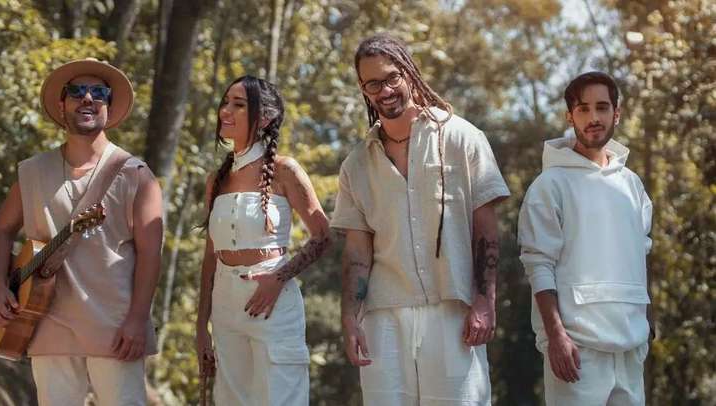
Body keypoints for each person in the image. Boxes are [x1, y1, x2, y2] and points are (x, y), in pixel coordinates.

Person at [330, 33, 510, 405]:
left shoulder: (462, 137)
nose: (385, 90)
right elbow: (357, 253)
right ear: (363, 90)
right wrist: (350, 317)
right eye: (373, 84)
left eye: (392, 77)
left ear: (410, 73)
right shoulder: (356, 165)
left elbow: (486, 231)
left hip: (452, 311)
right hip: (382, 318)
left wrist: (484, 300)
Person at [0, 58, 163, 406]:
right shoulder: (32, 171)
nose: (88, 98)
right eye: (77, 91)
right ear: (61, 104)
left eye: (99, 92)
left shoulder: (136, 175)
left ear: (109, 107)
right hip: (44, 322)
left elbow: (150, 256)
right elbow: (0, 231)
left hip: (115, 327)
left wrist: (138, 319)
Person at [517, 71, 653, 405]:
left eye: (602, 107)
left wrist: (646, 326)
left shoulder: (632, 185)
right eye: (583, 109)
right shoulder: (550, 185)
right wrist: (556, 337)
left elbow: (639, 256)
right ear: (570, 116)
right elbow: (538, 264)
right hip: (576, 350)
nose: (593, 118)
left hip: (630, 346)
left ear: (616, 114)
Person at [195, 75, 331, 406]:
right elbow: (210, 257)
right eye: (225, 102)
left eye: (239, 105)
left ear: (266, 117)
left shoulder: (285, 171)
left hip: (272, 302)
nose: (225, 111)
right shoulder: (216, 181)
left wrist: (278, 278)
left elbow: (324, 235)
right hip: (225, 306)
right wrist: (201, 328)